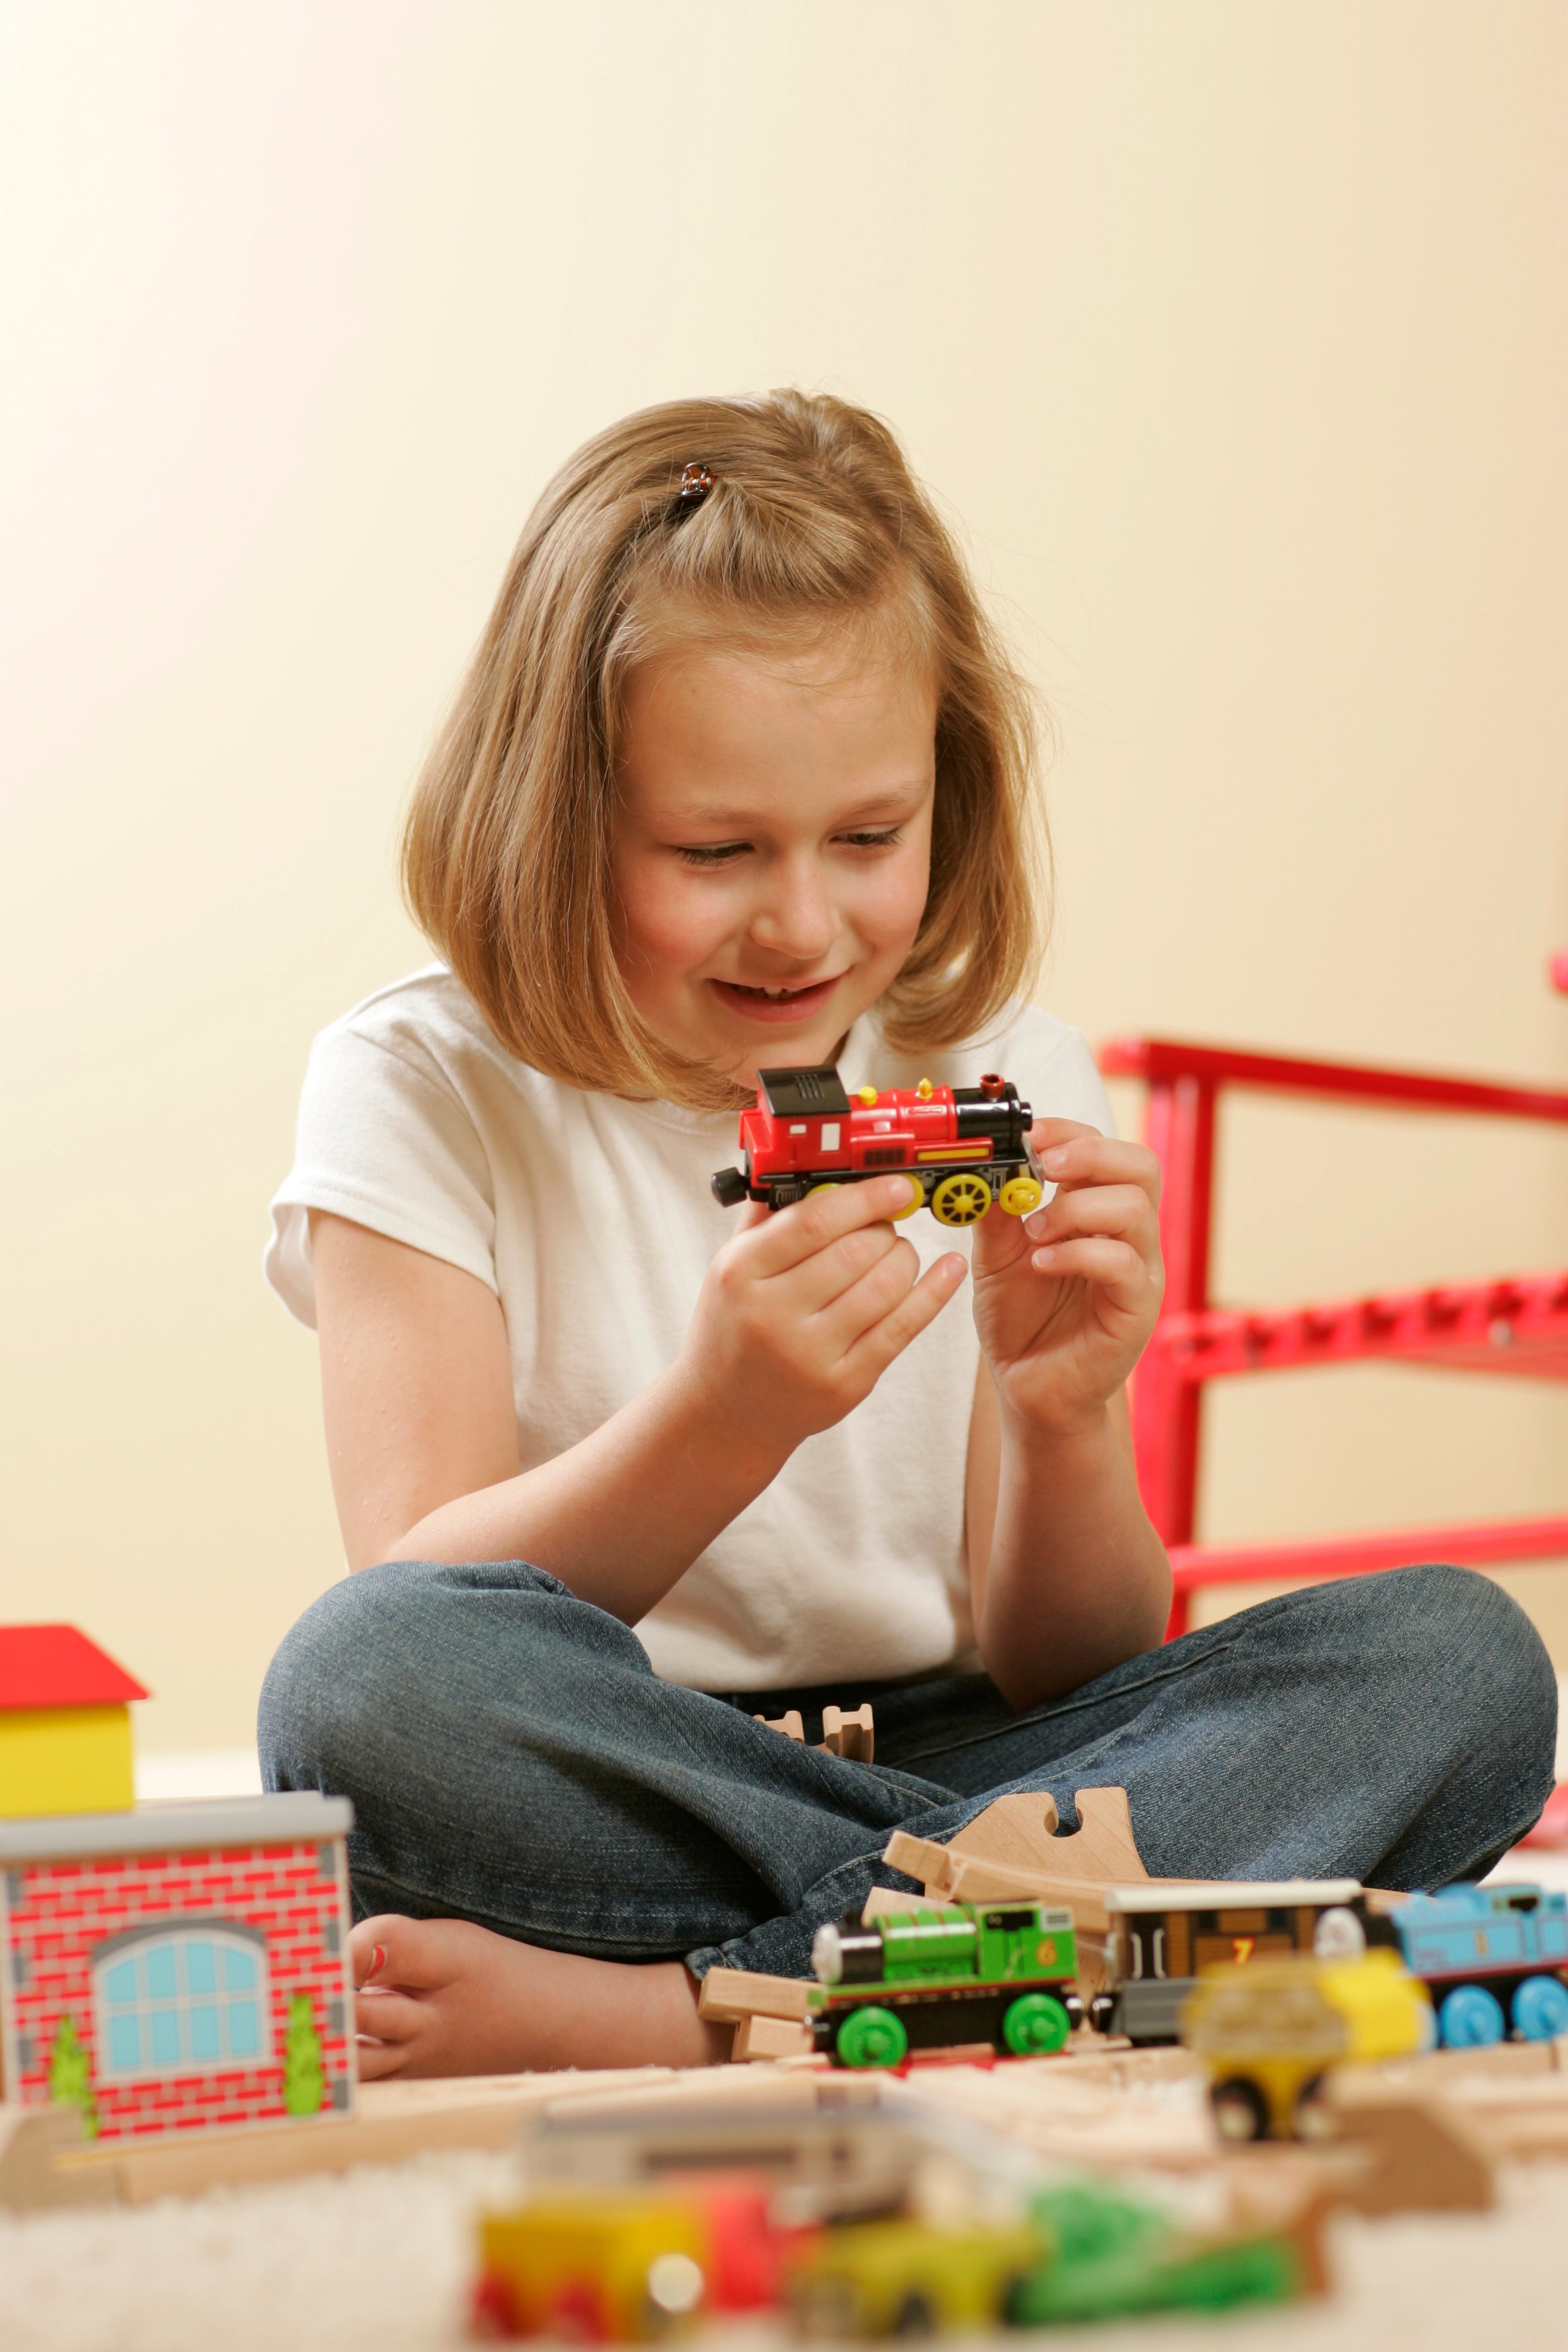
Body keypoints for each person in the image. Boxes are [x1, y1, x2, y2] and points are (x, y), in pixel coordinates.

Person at [260, 391, 1555, 2079]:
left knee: (1463, 1660)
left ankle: (706, 2010)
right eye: (715, 849)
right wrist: (725, 1418)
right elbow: (422, 1595)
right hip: (639, 1765)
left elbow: (1077, 1662)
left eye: (868, 838)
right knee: (359, 1690)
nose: (804, 921)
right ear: (558, 810)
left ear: (946, 793)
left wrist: (1059, 1408)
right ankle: (1081, 1950)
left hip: (982, 1747)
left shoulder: (1002, 1070)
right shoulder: (419, 1084)